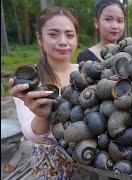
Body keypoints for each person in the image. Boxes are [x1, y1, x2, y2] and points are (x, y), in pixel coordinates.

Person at [8, 6, 79, 179]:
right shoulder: (28, 80)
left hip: (85, 160)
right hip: (51, 166)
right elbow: (31, 133)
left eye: (69, 35)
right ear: (40, 38)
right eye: (53, 34)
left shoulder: (84, 72)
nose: (63, 41)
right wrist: (42, 116)